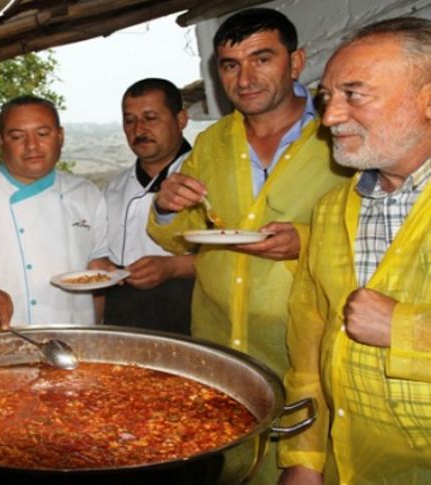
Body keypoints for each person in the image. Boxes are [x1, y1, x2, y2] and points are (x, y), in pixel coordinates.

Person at [146, 8, 352, 483]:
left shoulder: (339, 132)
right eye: (230, 64)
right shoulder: (213, 142)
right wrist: (167, 207)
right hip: (219, 350)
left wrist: (309, 239)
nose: (245, 78)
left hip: (308, 355)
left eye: (262, 59)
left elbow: (379, 227)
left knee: (312, 468)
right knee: (235, 468)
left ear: (296, 62)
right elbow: (177, 236)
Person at [279, 17, 431, 485]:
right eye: (327, 97)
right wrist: (304, 457)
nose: (329, 118)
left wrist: (403, 329)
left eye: (354, 95)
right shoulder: (331, 210)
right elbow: (309, 341)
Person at [0, 95, 110, 331]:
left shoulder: (86, 193)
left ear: (60, 136)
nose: (31, 146)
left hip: (73, 335)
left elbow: (97, 267)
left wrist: (111, 276)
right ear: (1, 140)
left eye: (42, 134)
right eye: (17, 136)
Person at [102, 78, 195, 333]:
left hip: (187, 315)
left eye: (150, 117)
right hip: (120, 318)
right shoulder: (114, 188)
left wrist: (172, 268)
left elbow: (231, 256)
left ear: (181, 120)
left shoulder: (204, 177)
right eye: (129, 120)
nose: (139, 129)